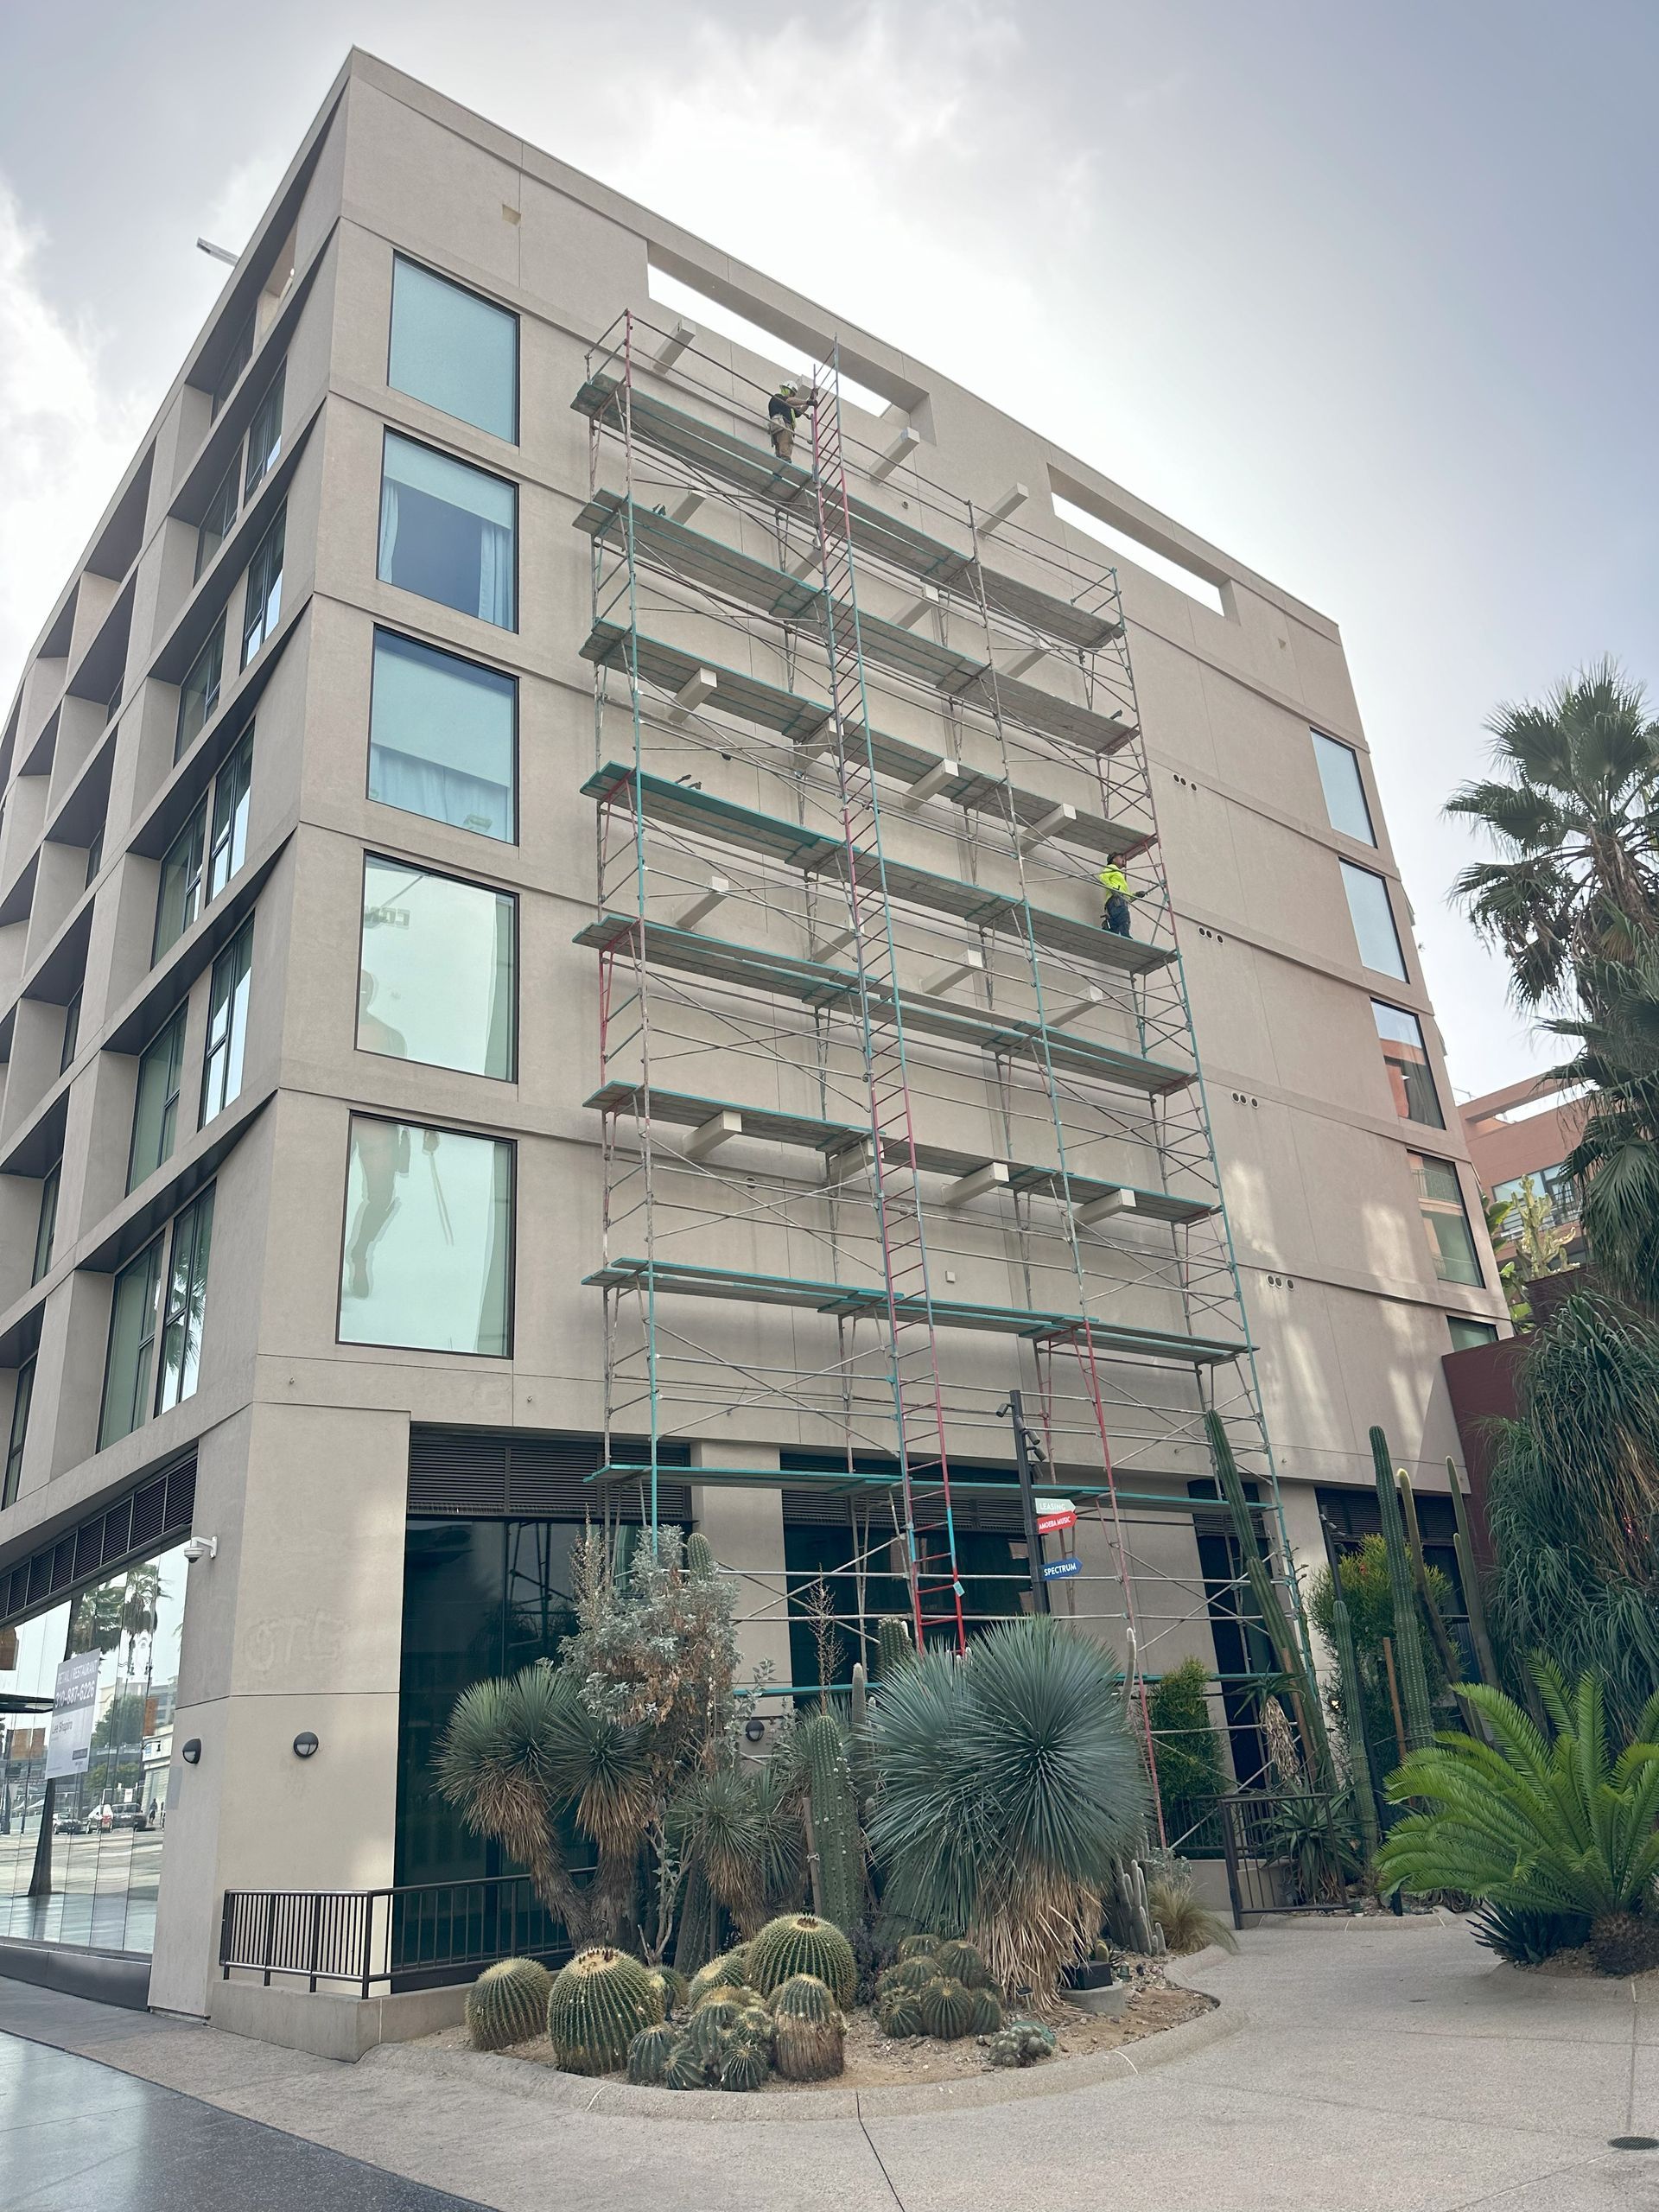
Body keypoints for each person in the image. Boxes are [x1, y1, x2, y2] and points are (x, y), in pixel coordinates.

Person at [767, 383, 819, 464]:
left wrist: (810, 400)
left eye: (793, 394)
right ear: (785, 389)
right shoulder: (778, 397)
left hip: (778, 427)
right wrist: (806, 402)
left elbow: (799, 412)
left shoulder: (788, 406)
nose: (791, 395)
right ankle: (785, 461)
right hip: (782, 425)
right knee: (785, 448)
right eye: (791, 392)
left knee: (780, 451)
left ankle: (777, 471)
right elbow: (789, 400)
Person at [1098, 863, 1139, 938]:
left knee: (1116, 922)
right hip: (1116, 900)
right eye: (1120, 857)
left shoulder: (1120, 876)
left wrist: (1136, 895)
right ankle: (1125, 937)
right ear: (1113, 859)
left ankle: (1109, 930)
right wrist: (1112, 889)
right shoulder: (1112, 867)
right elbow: (1103, 877)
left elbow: (1126, 897)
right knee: (1123, 918)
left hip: (1119, 900)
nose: (1123, 859)